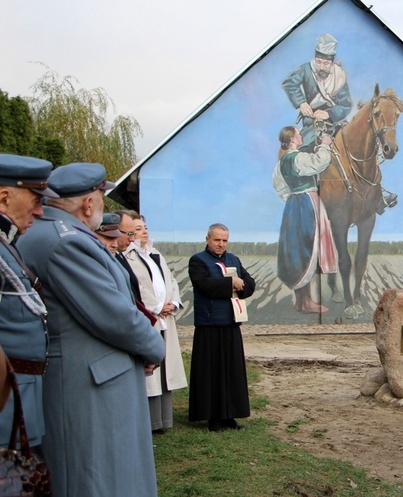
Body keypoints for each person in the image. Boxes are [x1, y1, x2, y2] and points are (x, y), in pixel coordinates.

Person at [16, 162, 166, 497]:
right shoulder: (65, 242)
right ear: (88, 203)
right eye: (101, 194)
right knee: (93, 477)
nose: (102, 203)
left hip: (92, 377)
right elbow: (114, 315)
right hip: (86, 384)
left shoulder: (62, 234)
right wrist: (154, 347)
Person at [0, 153, 58, 453]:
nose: (39, 211)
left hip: (19, 394)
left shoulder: (7, 244)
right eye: (35, 199)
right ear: (3, 197)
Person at [187, 223, 255, 432]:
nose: (221, 244)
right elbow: (204, 285)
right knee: (212, 373)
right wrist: (230, 284)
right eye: (217, 240)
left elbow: (249, 283)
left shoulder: (233, 259)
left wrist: (240, 285)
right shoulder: (198, 260)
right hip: (209, 325)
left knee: (231, 371)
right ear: (207, 239)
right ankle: (213, 417)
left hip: (231, 322)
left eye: (224, 240)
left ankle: (230, 416)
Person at [124, 213, 187, 432]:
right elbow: (137, 287)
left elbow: (170, 280)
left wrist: (174, 303)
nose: (144, 231)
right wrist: (157, 307)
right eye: (138, 228)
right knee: (150, 369)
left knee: (165, 368)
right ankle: (149, 421)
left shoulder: (155, 253)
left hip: (166, 317)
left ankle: (163, 420)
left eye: (145, 227)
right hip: (150, 317)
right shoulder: (128, 256)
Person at [273, 125, 337, 313]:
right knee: (309, 249)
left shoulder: (281, 163)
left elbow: (279, 186)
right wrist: (324, 145)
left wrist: (293, 198)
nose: (301, 136)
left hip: (293, 205)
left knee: (299, 251)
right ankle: (306, 302)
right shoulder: (298, 158)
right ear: (292, 139)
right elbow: (319, 163)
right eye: (298, 134)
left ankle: (302, 301)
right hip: (307, 204)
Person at [282, 33, 352, 151]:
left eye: (326, 64)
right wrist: (302, 103)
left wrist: (329, 114)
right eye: (318, 62)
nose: (321, 67)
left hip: (335, 122)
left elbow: (346, 105)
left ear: (332, 63)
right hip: (312, 123)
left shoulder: (339, 77)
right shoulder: (306, 69)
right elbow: (289, 83)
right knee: (305, 148)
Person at [113, 209, 143, 303]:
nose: (133, 239)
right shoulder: (106, 259)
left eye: (133, 234)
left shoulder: (120, 256)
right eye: (129, 234)